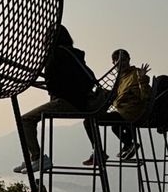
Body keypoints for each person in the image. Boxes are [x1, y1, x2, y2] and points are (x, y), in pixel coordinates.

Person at [13, 24, 102, 174]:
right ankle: (32, 157)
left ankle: (37, 158)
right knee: (29, 118)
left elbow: (53, 85)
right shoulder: (73, 54)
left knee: (25, 120)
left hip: (70, 102)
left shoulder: (55, 55)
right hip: (83, 101)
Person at [82, 49, 151, 165]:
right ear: (114, 64)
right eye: (117, 62)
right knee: (114, 126)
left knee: (89, 121)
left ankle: (99, 152)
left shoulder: (136, 74)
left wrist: (143, 79)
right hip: (124, 112)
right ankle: (129, 145)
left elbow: (146, 96)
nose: (121, 64)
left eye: (123, 60)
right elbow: (119, 96)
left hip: (130, 113)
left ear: (129, 60)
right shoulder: (122, 78)